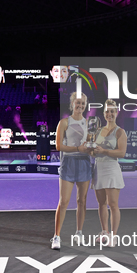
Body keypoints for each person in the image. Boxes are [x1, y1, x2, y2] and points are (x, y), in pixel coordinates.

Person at [51, 92, 91, 250]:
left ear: (85, 106)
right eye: (78, 103)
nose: (80, 106)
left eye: (83, 104)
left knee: (82, 201)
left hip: (84, 163)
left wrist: (91, 149)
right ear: (72, 104)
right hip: (68, 163)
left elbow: (89, 144)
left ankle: (79, 233)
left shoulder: (88, 124)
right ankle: (56, 236)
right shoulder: (64, 122)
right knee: (64, 201)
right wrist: (77, 148)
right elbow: (59, 146)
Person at [91, 99, 127, 247]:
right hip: (98, 169)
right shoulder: (98, 130)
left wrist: (104, 151)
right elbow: (93, 151)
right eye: (107, 111)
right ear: (104, 113)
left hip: (112, 170)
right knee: (101, 204)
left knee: (113, 204)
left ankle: (114, 235)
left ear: (116, 112)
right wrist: (92, 151)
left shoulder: (120, 132)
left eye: (112, 111)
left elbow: (122, 153)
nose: (109, 114)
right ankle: (104, 232)